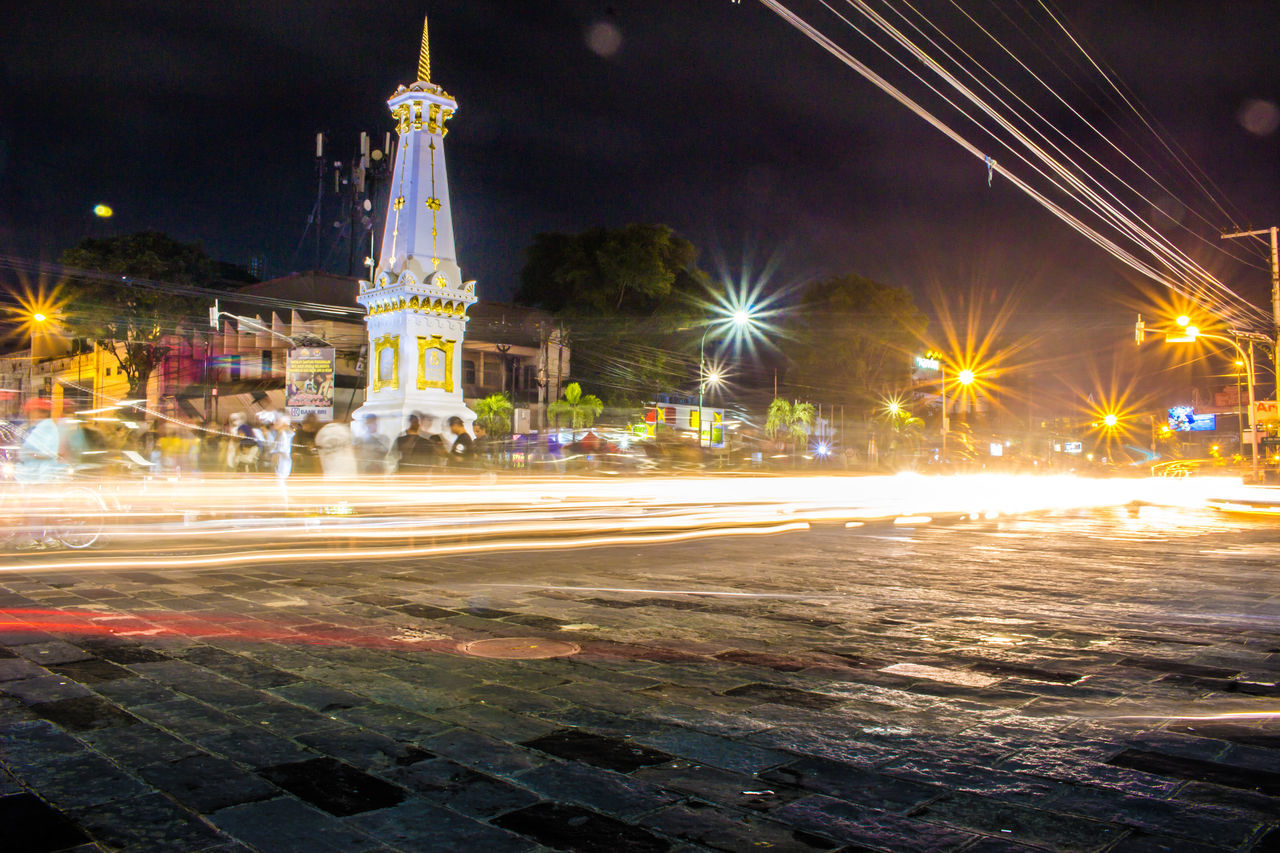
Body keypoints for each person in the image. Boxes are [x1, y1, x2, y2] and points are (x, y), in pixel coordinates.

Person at [15, 398, 62, 484]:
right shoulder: (25, 428)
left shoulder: (48, 427)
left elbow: (51, 451)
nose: (40, 414)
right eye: (37, 411)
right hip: (28, 472)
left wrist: (33, 454)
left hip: (44, 473)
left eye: (43, 412)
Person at [271, 414, 294, 479]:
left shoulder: (284, 434)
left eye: (277, 421)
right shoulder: (280, 433)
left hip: (282, 465)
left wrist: (275, 454)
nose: (275, 423)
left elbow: (281, 449)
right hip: (281, 464)